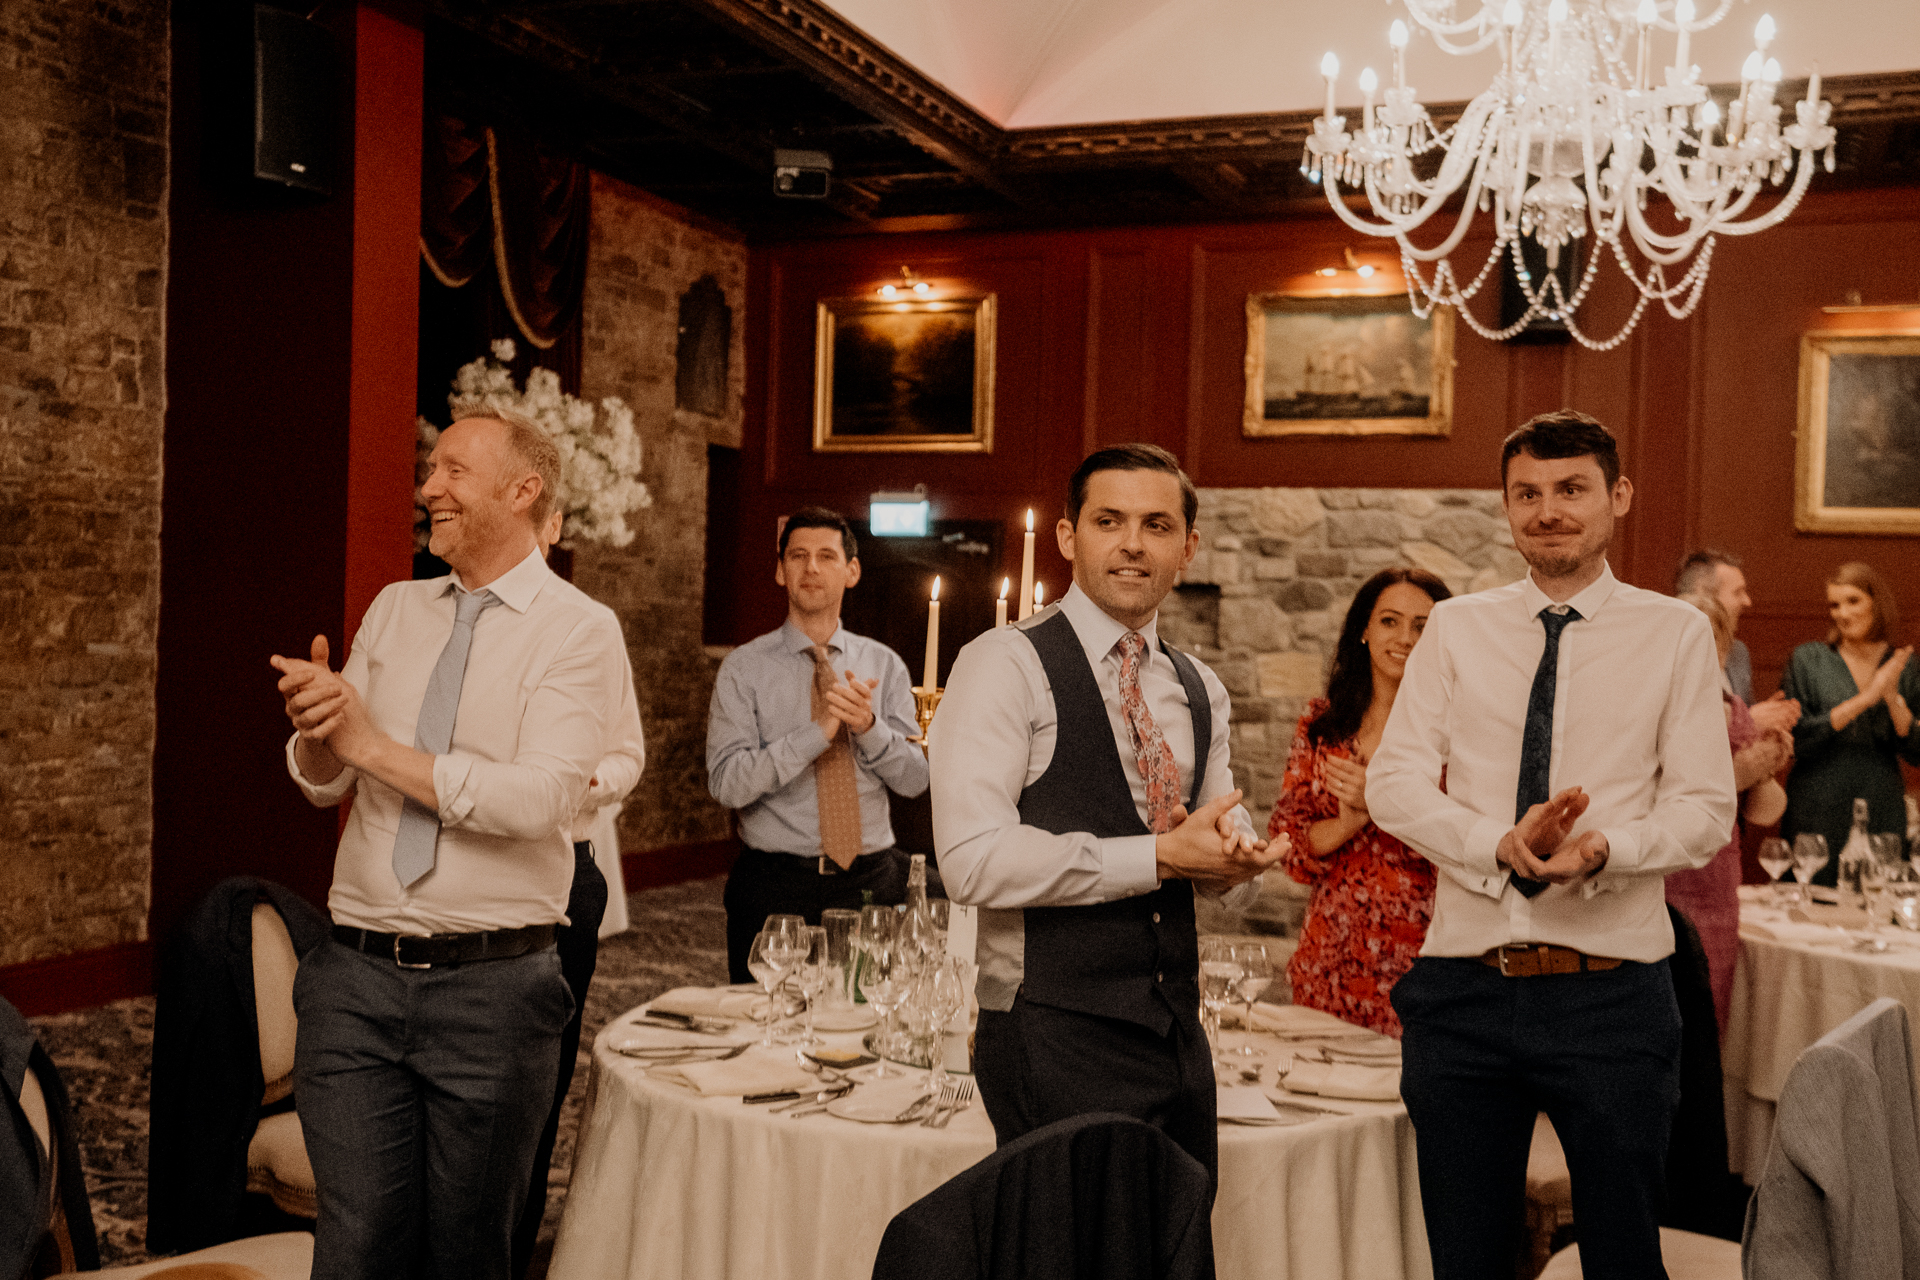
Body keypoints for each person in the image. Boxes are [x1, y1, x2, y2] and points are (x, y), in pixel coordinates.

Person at [1367, 410, 1736, 1280]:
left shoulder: (1675, 634)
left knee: (1621, 1259)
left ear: (1618, 496)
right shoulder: (1456, 628)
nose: (1548, 511)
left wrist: (1608, 847)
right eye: (1527, 494)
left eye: (1571, 489)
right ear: (1506, 507)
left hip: (1611, 997)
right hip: (1464, 992)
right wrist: (1494, 842)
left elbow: (1705, 809)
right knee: (1468, 1261)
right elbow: (1394, 782)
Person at [272, 411, 633, 1280]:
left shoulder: (578, 630)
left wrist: (366, 745)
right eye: (430, 470)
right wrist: (321, 731)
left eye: (453, 471)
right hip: (353, 979)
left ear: (523, 490)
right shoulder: (397, 608)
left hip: (493, 995)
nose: (429, 488)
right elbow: (327, 779)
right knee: (356, 1246)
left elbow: (541, 796)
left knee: (467, 1254)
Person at [931, 443, 1285, 1184]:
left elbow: (1217, 846)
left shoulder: (1199, 687)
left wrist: (1235, 864)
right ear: (1069, 537)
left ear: (1187, 547)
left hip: (1177, 1033)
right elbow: (970, 861)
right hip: (1048, 1029)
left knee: (1178, 1251)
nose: (1132, 543)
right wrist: (1158, 858)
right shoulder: (1004, 664)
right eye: (1109, 521)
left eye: (1157, 525)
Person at [706, 506, 930, 982]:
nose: (810, 568)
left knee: (871, 1020)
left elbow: (915, 780)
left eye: (826, 556)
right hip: (774, 886)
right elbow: (727, 786)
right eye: (798, 555)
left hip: (872, 881)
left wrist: (868, 727)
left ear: (852, 572)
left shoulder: (884, 665)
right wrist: (817, 733)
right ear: (780, 569)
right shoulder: (743, 669)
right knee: (768, 1027)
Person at [509, 510, 646, 1280]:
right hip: (461, 892)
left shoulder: (589, 628)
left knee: (540, 1084)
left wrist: (593, 782)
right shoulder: (419, 613)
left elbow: (627, 751)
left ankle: (513, 1243)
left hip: (565, 868)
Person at [1268, 567, 1449, 1039]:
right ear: (1364, 630)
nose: (1405, 637)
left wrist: (1386, 803)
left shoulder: (1460, 733)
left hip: (1425, 963)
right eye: (1389, 621)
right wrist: (1352, 819)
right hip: (1329, 957)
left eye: (1422, 626)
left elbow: (1470, 853)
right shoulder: (1322, 724)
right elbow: (1291, 848)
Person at [1664, 592, 1790, 1035]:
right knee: (1659, 1009)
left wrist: (1767, 771)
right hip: (1658, 872)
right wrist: (1741, 772)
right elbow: (1662, 798)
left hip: (1715, 878)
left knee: (1708, 1006)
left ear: (1722, 648)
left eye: (1708, 639)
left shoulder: (1737, 713)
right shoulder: (1645, 710)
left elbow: (1761, 813)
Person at [1779, 562, 1918, 886]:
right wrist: (1865, 699)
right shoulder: (1808, 660)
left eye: (1852, 601)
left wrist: (1892, 697)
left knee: (1878, 906)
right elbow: (1796, 741)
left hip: (1880, 804)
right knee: (1810, 913)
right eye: (1834, 604)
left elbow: (1916, 750)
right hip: (1816, 807)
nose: (1842, 613)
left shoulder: (1906, 666)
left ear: (1876, 603)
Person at [1674, 549, 1800, 737]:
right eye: (1737, 592)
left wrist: (1769, 716)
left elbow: (1744, 719)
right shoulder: (1670, 650)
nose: (1747, 601)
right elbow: (1679, 728)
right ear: (1704, 596)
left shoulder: (1738, 652)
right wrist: (1749, 720)